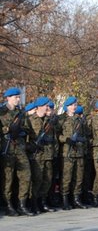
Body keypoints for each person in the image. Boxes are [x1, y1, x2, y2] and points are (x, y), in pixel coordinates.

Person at [0, 87, 35, 216]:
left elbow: (27, 127)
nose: (18, 99)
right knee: (7, 178)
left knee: (26, 175)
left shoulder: (21, 112)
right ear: (8, 98)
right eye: (16, 97)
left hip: (19, 147)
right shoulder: (2, 112)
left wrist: (21, 130)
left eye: (19, 97)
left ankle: (22, 204)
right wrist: (8, 129)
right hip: (7, 148)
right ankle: (9, 205)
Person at [58, 96, 88, 210]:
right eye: (72, 105)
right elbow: (57, 135)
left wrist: (82, 142)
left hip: (79, 152)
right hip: (67, 153)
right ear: (67, 107)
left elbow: (85, 134)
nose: (74, 107)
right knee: (67, 177)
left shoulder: (80, 120)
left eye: (75, 105)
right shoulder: (61, 119)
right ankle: (65, 200)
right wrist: (66, 139)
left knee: (78, 177)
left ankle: (76, 199)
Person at [29, 96, 57, 213]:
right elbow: (26, 138)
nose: (48, 107)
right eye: (46, 105)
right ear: (40, 106)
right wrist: (31, 146)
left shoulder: (49, 121)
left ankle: (42, 202)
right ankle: (34, 203)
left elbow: (54, 138)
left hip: (48, 154)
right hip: (36, 155)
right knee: (37, 180)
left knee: (48, 179)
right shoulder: (30, 119)